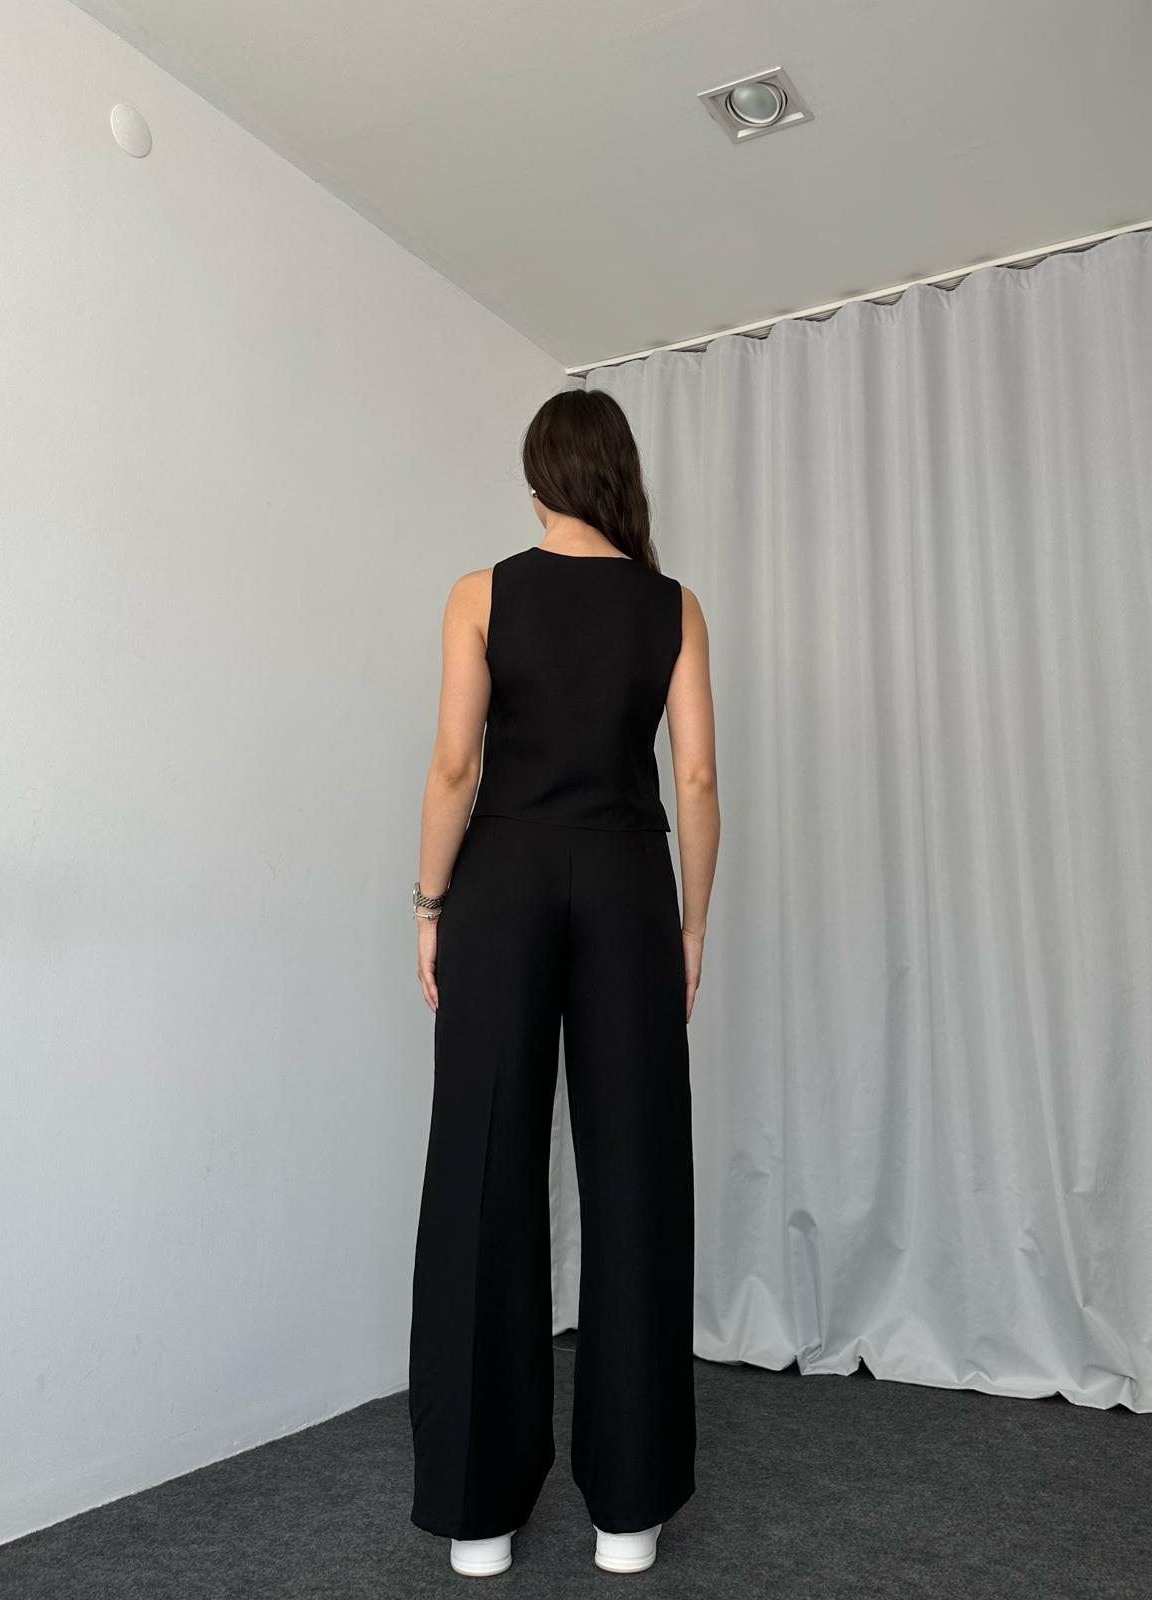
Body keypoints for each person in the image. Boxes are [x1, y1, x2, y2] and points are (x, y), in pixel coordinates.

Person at [407, 387, 720, 1577]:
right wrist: (691, 925)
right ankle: (629, 1516)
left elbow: (455, 765)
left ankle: (477, 1517)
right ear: (617, 475)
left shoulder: (479, 594)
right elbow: (696, 781)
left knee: (482, 1166)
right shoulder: (672, 605)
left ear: (540, 479)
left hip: (503, 885)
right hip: (628, 883)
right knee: (636, 1173)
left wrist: (428, 904)